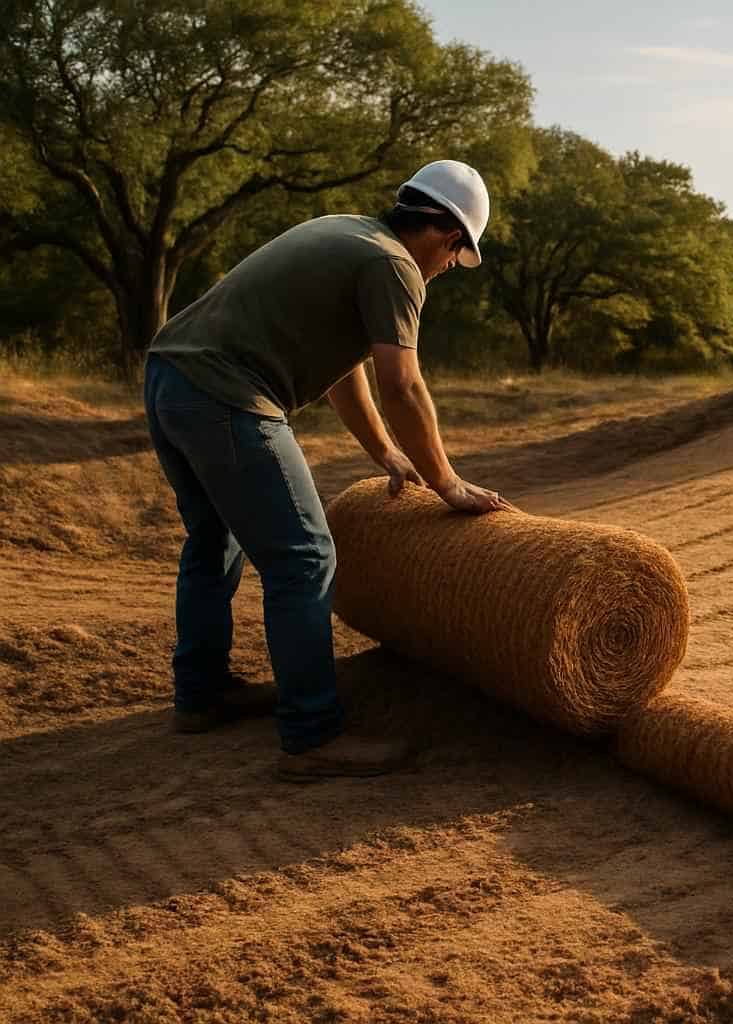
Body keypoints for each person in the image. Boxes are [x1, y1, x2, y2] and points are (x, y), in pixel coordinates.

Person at [142, 159, 514, 782]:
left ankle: (201, 696)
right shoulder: (395, 265)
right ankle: (312, 734)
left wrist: (384, 452)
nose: (451, 267)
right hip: (226, 394)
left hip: (168, 378)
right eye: (457, 255)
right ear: (450, 235)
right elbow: (403, 386)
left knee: (213, 540)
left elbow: (346, 369)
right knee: (306, 558)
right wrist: (447, 482)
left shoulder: (349, 232)